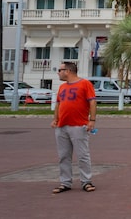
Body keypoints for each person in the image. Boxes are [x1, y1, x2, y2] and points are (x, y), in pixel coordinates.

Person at [51, 61, 97, 193]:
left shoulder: (85, 84)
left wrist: (92, 120)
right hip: (62, 126)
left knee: (82, 155)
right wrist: (55, 119)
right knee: (63, 155)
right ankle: (65, 182)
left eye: (60, 70)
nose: (58, 73)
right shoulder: (62, 87)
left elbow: (92, 102)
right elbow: (59, 104)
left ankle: (86, 181)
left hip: (78, 125)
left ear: (68, 71)